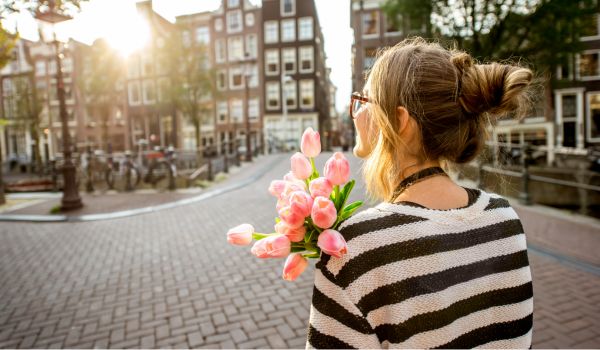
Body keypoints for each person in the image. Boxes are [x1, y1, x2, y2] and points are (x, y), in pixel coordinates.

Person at [306, 37, 534, 349]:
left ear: (400, 121)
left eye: (364, 102)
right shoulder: (505, 219)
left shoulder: (355, 248)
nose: (356, 114)